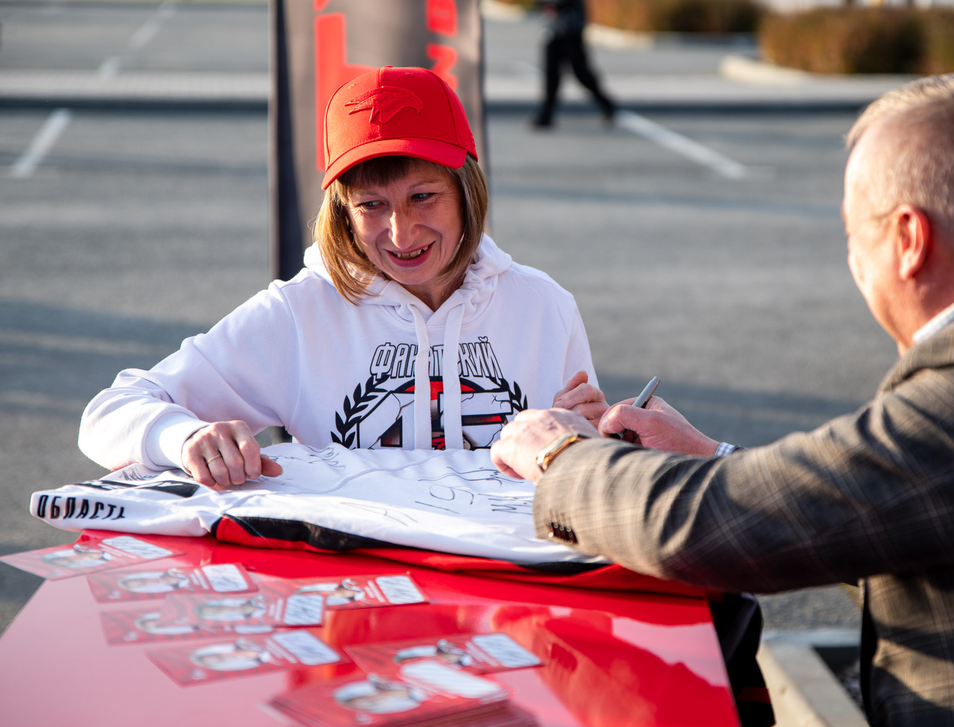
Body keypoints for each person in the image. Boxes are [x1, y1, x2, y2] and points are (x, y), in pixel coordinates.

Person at [492, 71, 954, 727]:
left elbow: (707, 528)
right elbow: (880, 510)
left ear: (908, 240)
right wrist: (712, 457)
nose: (850, 257)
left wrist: (560, 455)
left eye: (849, 231)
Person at [79, 66, 603, 490]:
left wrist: (594, 436)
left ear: (467, 189)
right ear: (342, 213)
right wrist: (184, 438)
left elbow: (583, 470)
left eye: (423, 196)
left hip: (499, 587)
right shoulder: (299, 312)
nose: (401, 233)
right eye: (372, 205)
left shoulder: (544, 305)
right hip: (350, 588)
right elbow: (108, 414)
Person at [532, 0, 616, 128]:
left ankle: (606, 104)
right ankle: (546, 115)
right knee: (551, 76)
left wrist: (554, 5)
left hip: (571, 33)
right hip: (553, 33)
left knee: (581, 73)